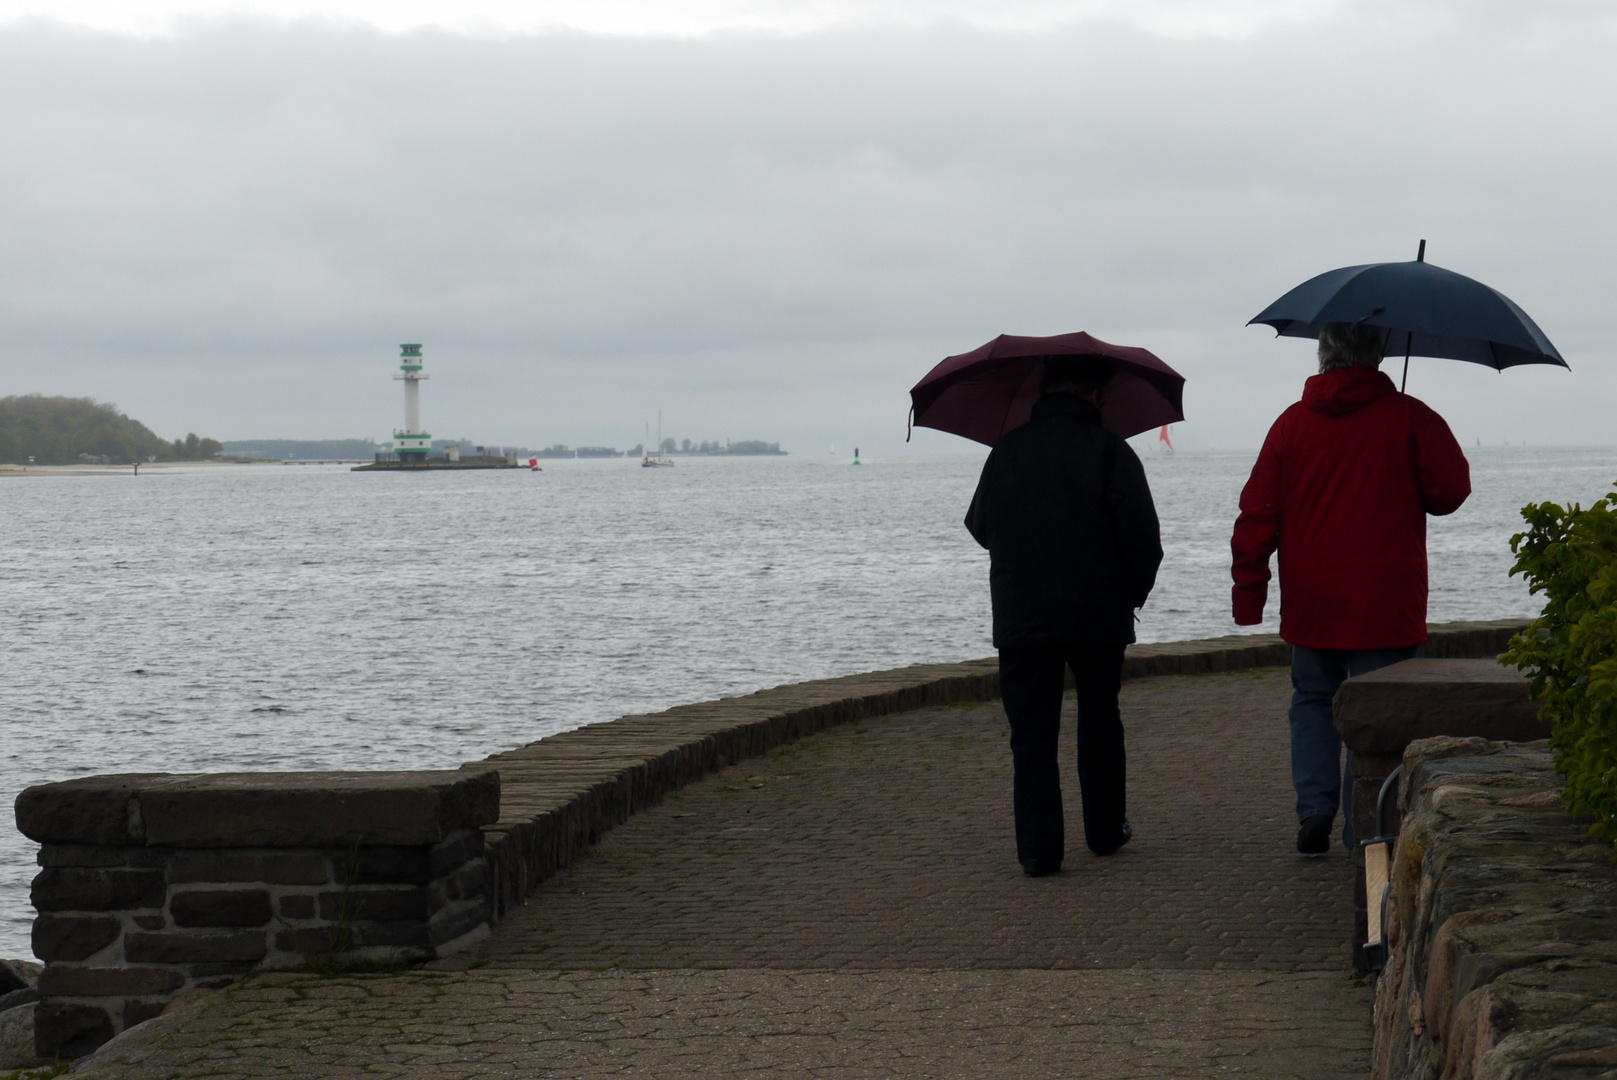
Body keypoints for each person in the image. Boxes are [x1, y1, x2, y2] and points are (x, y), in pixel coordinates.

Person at [1231, 322, 1471, 856]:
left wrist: (1249, 597)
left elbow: (1256, 515)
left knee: (1313, 700)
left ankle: (1314, 809)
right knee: (1377, 712)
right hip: (1384, 598)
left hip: (1312, 598)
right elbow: (1450, 490)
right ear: (1379, 353)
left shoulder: (1290, 425)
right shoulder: (1408, 416)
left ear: (1323, 353)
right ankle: (1364, 827)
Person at [965, 356, 1163, 876]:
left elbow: (980, 525)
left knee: (1031, 734)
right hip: (1098, 613)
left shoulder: (1005, 452)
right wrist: (1129, 595)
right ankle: (1103, 831)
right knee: (1100, 719)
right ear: (1094, 395)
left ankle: (1037, 850)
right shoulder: (1111, 453)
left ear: (1044, 392)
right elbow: (1144, 541)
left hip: (1022, 617)